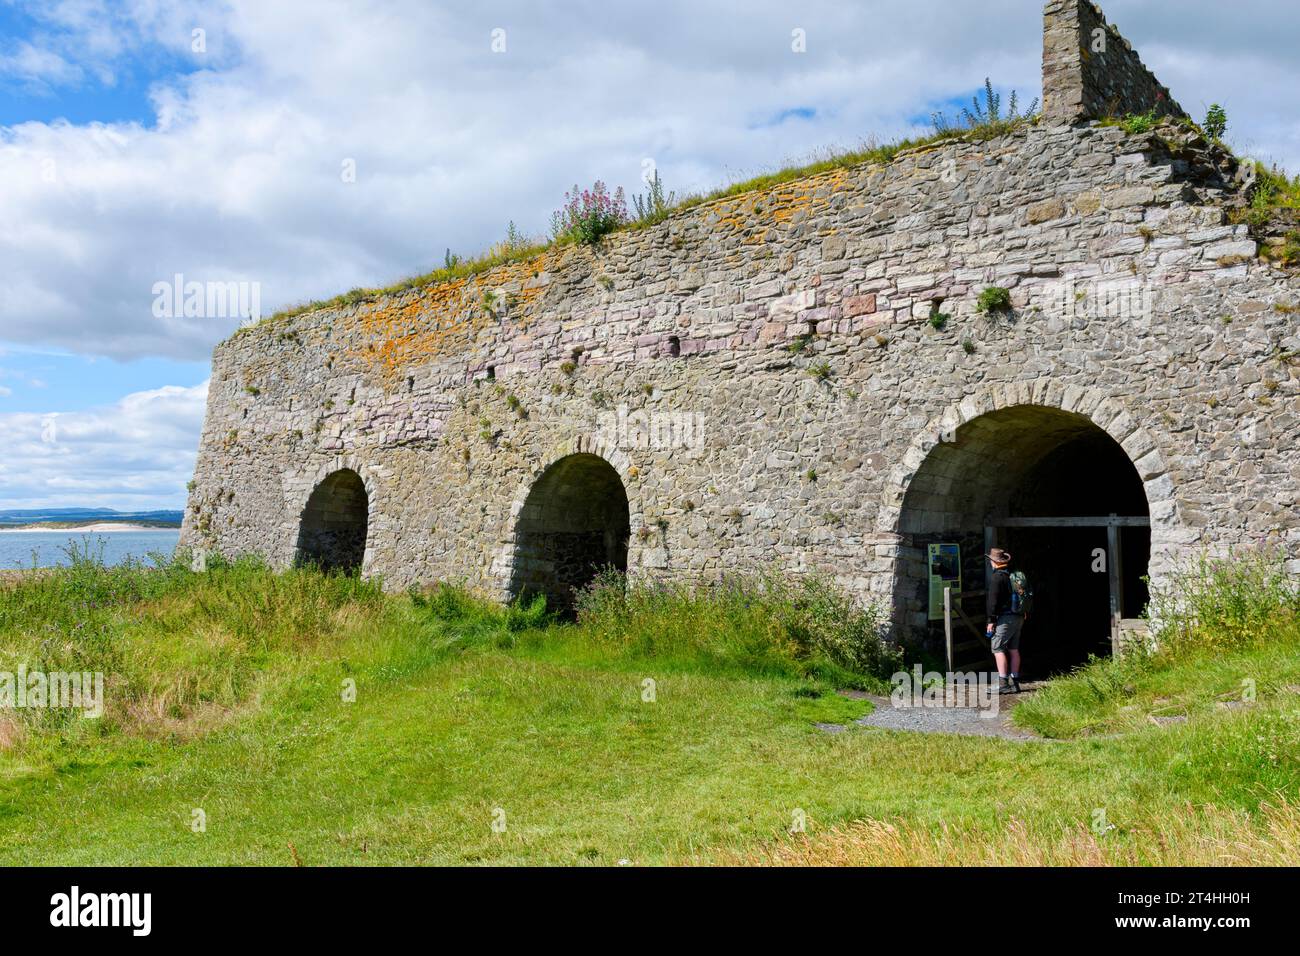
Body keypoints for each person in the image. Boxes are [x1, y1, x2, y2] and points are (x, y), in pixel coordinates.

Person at [985, 547, 1025, 694]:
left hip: (1005, 618)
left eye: (990, 560)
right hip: (1019, 616)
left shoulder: (997, 578)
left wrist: (991, 620)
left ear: (993, 562)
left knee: (997, 648)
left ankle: (1003, 683)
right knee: (1014, 649)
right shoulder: (1012, 575)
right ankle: (1015, 683)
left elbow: (993, 602)